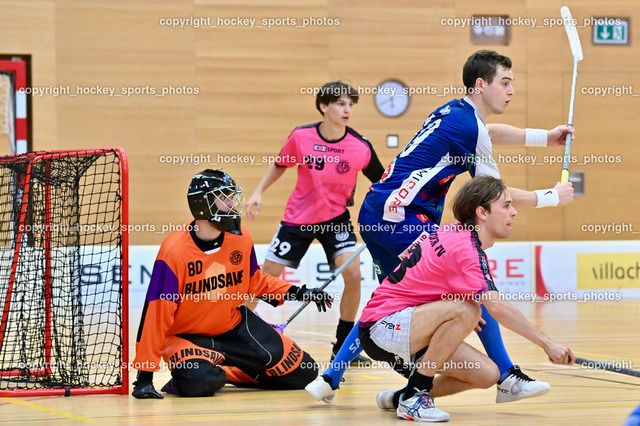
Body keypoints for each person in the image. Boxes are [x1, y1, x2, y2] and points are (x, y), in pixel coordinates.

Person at [307, 49, 575, 403]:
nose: (511, 91)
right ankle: (507, 376)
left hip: (383, 211)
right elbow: (494, 196)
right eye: (505, 83)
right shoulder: (468, 125)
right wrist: (551, 197)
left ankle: (330, 377)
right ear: (481, 85)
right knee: (474, 288)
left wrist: (544, 137)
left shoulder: (458, 112)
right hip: (399, 216)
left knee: (394, 295)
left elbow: (488, 133)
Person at [358, 175, 575, 421]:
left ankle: (400, 396)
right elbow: (497, 306)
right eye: (505, 206)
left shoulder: (456, 233)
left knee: (487, 375)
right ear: (482, 212)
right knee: (469, 310)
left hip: (406, 331)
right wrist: (548, 344)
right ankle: (415, 395)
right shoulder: (465, 249)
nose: (513, 213)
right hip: (383, 328)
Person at [131, 169, 334, 398]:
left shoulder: (241, 237)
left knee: (303, 372)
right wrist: (144, 377)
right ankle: (201, 371)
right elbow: (155, 313)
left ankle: (228, 369)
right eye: (224, 197)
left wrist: (301, 292)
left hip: (232, 327)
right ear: (203, 205)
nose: (232, 203)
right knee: (199, 382)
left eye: (231, 196)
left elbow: (255, 282)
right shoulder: (173, 252)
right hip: (185, 337)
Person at [245, 81, 385, 363]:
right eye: (340, 104)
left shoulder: (360, 146)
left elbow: (382, 182)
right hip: (298, 219)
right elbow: (281, 164)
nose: (347, 110)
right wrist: (258, 192)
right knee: (265, 276)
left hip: (336, 220)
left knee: (354, 275)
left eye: (350, 105)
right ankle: (238, 333)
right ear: (324, 106)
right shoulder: (301, 137)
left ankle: (343, 346)